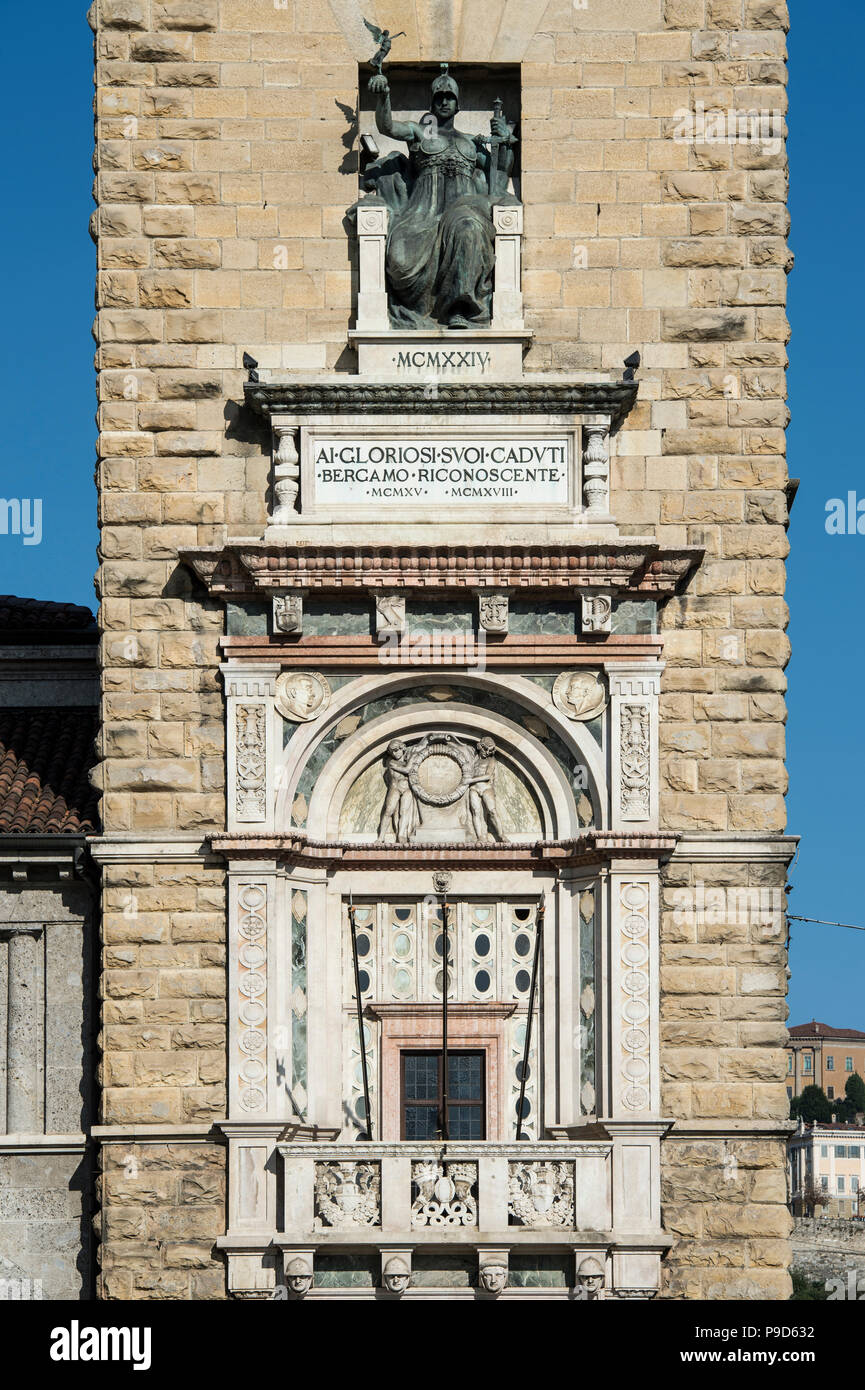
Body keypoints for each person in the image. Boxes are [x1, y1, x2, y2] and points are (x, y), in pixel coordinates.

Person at [367, 64, 515, 329]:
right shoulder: (420, 132)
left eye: (450, 97)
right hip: (422, 214)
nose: (445, 101)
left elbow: (499, 176)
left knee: (467, 229)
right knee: (399, 262)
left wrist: (505, 142)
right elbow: (387, 126)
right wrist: (384, 95)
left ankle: (460, 308)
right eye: (439, 97)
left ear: (458, 106)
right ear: (432, 102)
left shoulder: (472, 142)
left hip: (464, 209)